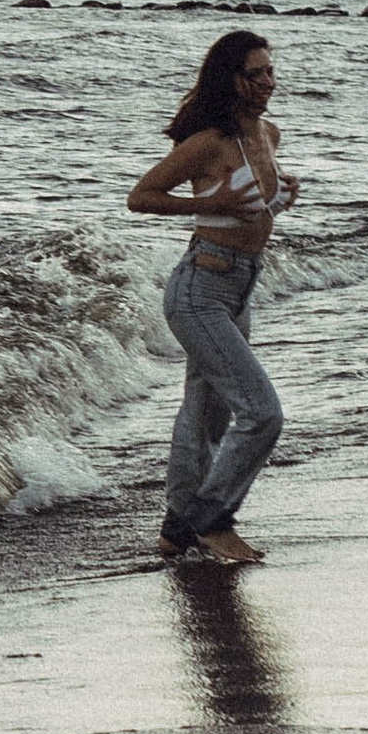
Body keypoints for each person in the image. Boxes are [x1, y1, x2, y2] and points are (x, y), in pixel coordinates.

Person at [126, 28, 292, 569]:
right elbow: (141, 197)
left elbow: (248, 211)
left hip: (241, 287)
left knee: (203, 418)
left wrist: (278, 199)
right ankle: (212, 521)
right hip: (200, 287)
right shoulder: (206, 143)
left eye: (269, 71)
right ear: (231, 78)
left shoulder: (268, 134)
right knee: (262, 413)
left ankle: (177, 528)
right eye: (255, 73)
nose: (267, 82)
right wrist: (212, 199)